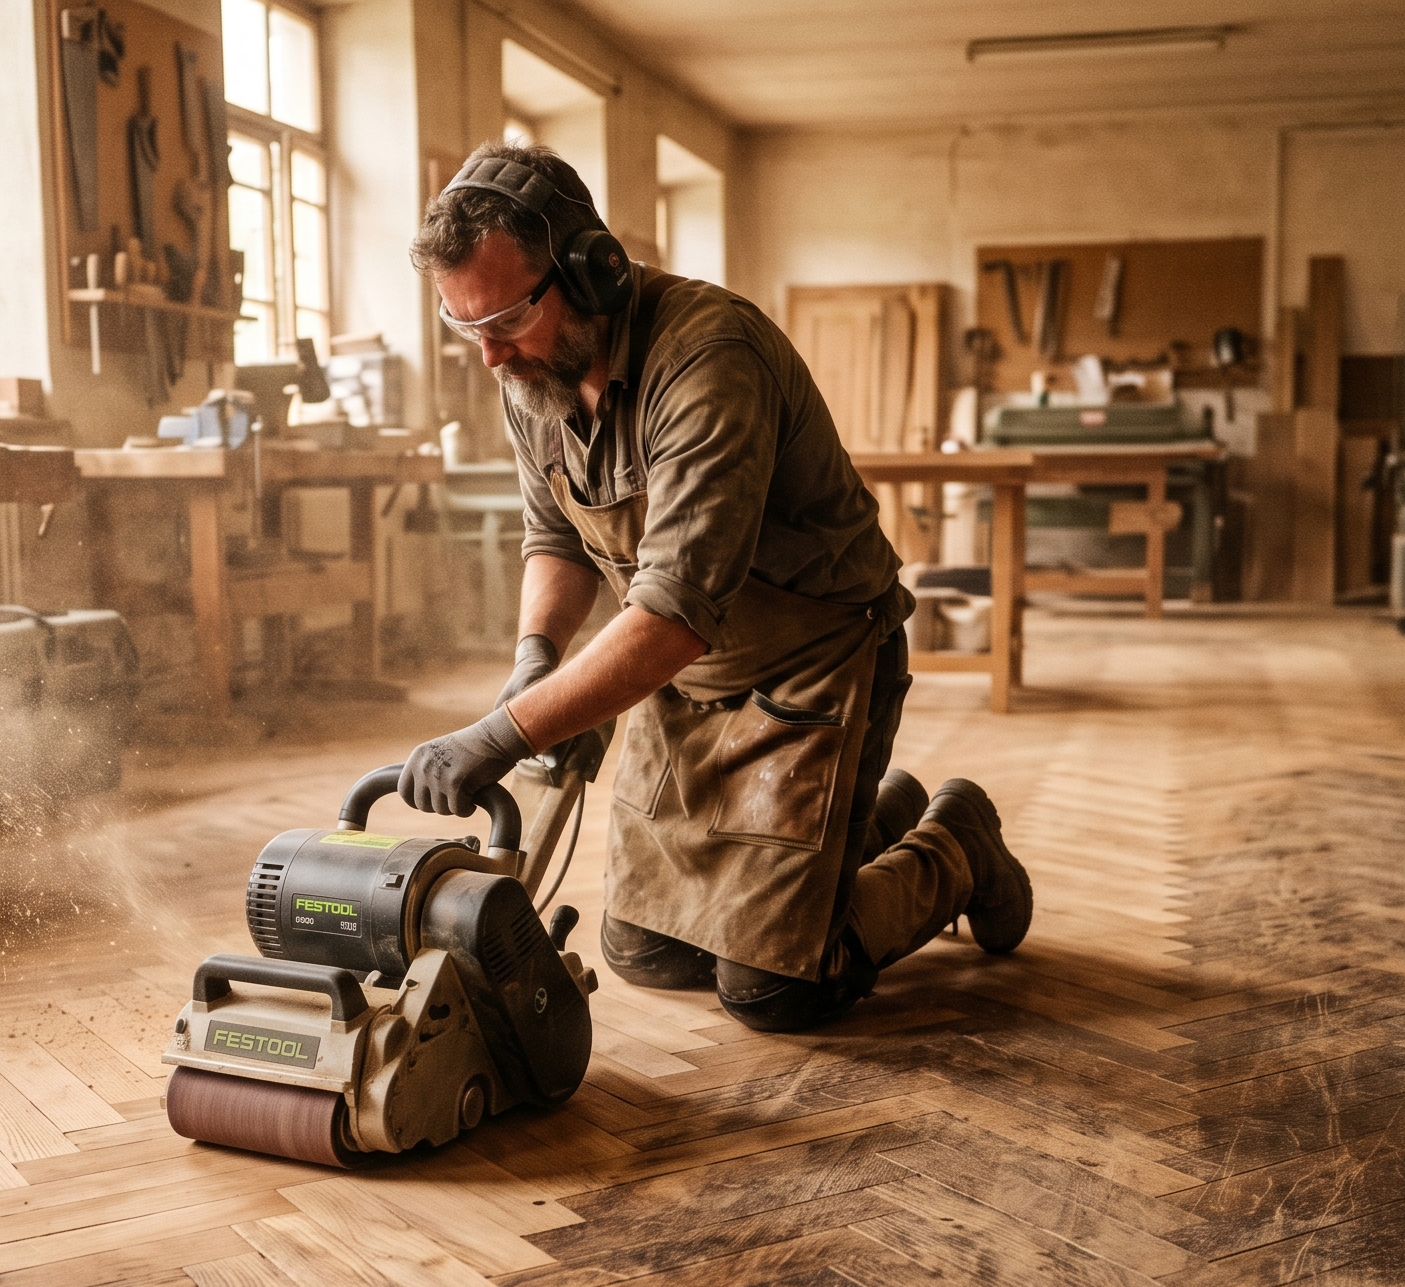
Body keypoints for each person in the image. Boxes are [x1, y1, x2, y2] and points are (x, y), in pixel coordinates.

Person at [396, 142, 1032, 1033]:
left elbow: (674, 611)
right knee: (648, 951)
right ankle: (873, 821)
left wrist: (504, 733)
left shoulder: (708, 356)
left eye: (504, 318)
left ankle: (957, 840)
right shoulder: (532, 373)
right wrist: (535, 659)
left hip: (811, 664)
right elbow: (557, 538)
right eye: (466, 328)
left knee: (776, 989)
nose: (491, 356)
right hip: (684, 679)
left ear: (590, 268)